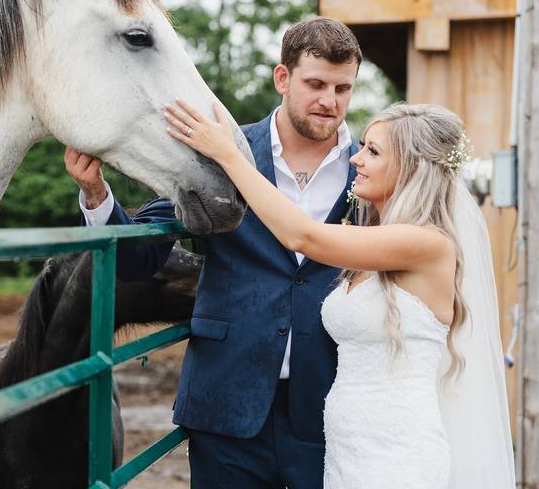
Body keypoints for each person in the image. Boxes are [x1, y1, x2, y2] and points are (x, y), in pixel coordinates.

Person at [66, 17, 362, 488]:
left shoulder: (368, 171)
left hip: (332, 409)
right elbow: (136, 262)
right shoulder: (219, 153)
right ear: (282, 78)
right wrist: (97, 195)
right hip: (227, 406)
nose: (330, 101)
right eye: (316, 84)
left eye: (343, 88)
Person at [163, 99, 515, 488]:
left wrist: (229, 156)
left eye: (373, 151)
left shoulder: (425, 244)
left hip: (396, 450)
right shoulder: (374, 238)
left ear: (411, 168)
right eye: (363, 146)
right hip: (348, 447)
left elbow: (302, 235)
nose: (355, 160)